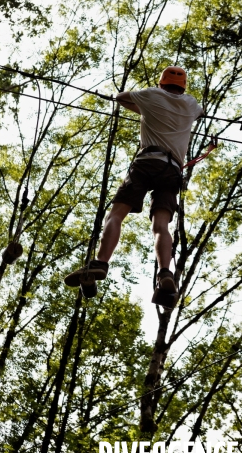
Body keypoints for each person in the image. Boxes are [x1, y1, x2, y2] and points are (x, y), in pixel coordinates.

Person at [64, 66, 204, 298]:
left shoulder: (152, 95)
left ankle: (101, 262)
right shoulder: (190, 103)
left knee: (116, 214)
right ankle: (165, 273)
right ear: (183, 86)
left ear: (161, 83)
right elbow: (201, 113)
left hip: (147, 162)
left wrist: (145, 109)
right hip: (172, 170)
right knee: (161, 226)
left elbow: (120, 97)